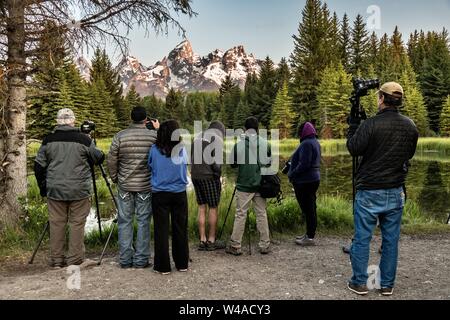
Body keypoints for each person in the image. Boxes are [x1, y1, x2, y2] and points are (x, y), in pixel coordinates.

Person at [346, 82, 419, 296]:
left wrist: (353, 127)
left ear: (381, 99)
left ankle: (360, 282)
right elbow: (409, 154)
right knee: (390, 240)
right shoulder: (411, 126)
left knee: (362, 238)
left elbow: (353, 148)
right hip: (395, 191)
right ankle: (386, 284)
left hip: (369, 190)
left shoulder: (370, 124)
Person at [34, 108, 104, 268]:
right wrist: (91, 141)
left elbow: (38, 166)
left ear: (57, 122)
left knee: (56, 223)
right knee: (77, 223)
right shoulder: (84, 140)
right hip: (79, 190)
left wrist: (43, 187)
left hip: (55, 189)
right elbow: (98, 158)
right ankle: (75, 259)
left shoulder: (48, 140)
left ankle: (57, 260)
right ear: (73, 121)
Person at [107, 106, 160, 269]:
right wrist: (158, 129)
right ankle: (141, 260)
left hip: (124, 185)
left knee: (124, 221)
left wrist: (115, 177)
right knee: (144, 221)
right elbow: (162, 154)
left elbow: (111, 159)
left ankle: (125, 259)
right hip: (145, 185)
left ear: (131, 118)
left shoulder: (120, 136)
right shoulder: (153, 136)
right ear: (146, 119)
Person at [148, 120, 189, 274]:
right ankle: (182, 263)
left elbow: (150, 166)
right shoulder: (182, 149)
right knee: (180, 229)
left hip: (160, 194)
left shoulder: (154, 149)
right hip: (179, 193)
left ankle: (163, 266)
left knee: (161, 230)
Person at [226, 117, 272, 256]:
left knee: (241, 214)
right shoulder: (265, 144)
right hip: (260, 185)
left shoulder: (238, 145)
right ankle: (264, 245)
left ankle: (236, 245)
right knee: (261, 214)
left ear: (245, 129)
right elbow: (269, 163)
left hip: (244, 185)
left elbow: (233, 164)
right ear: (257, 129)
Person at [191, 121, 226, 251]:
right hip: (209, 177)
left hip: (195, 176)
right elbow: (216, 164)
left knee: (201, 207)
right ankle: (211, 240)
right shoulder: (216, 139)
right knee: (213, 207)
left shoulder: (197, 136)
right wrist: (218, 175)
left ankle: (202, 239)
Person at [288, 122, 321, 247]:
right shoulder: (315, 142)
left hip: (305, 180)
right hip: (313, 179)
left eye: (300, 131)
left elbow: (304, 164)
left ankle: (310, 237)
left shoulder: (307, 143)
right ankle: (308, 234)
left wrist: (292, 174)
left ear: (303, 132)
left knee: (308, 208)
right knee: (310, 207)